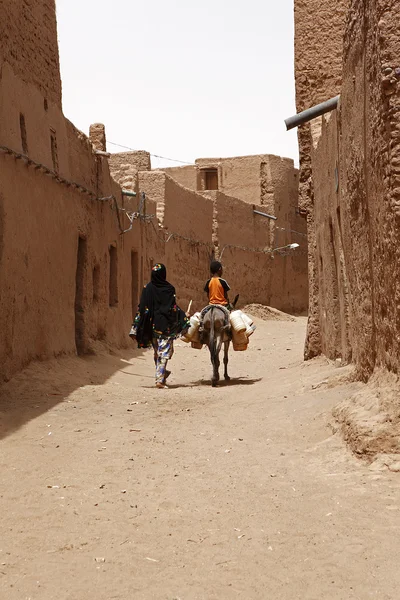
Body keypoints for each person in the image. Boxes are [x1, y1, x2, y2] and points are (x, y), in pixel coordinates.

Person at [130, 264, 189, 389]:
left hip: (151, 325)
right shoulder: (169, 289)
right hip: (165, 326)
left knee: (157, 352)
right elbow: (172, 309)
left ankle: (161, 373)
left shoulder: (147, 288)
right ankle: (160, 380)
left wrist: (136, 326)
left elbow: (142, 308)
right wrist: (183, 316)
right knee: (165, 352)